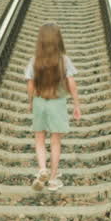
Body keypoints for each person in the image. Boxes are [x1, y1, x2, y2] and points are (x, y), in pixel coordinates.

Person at [25, 23, 82, 192]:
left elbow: (30, 84)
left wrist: (30, 101)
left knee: (39, 138)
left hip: (40, 101)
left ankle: (42, 169)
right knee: (55, 141)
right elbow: (72, 83)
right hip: (57, 103)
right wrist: (76, 104)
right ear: (58, 40)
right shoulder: (64, 60)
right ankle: (52, 179)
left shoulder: (34, 60)